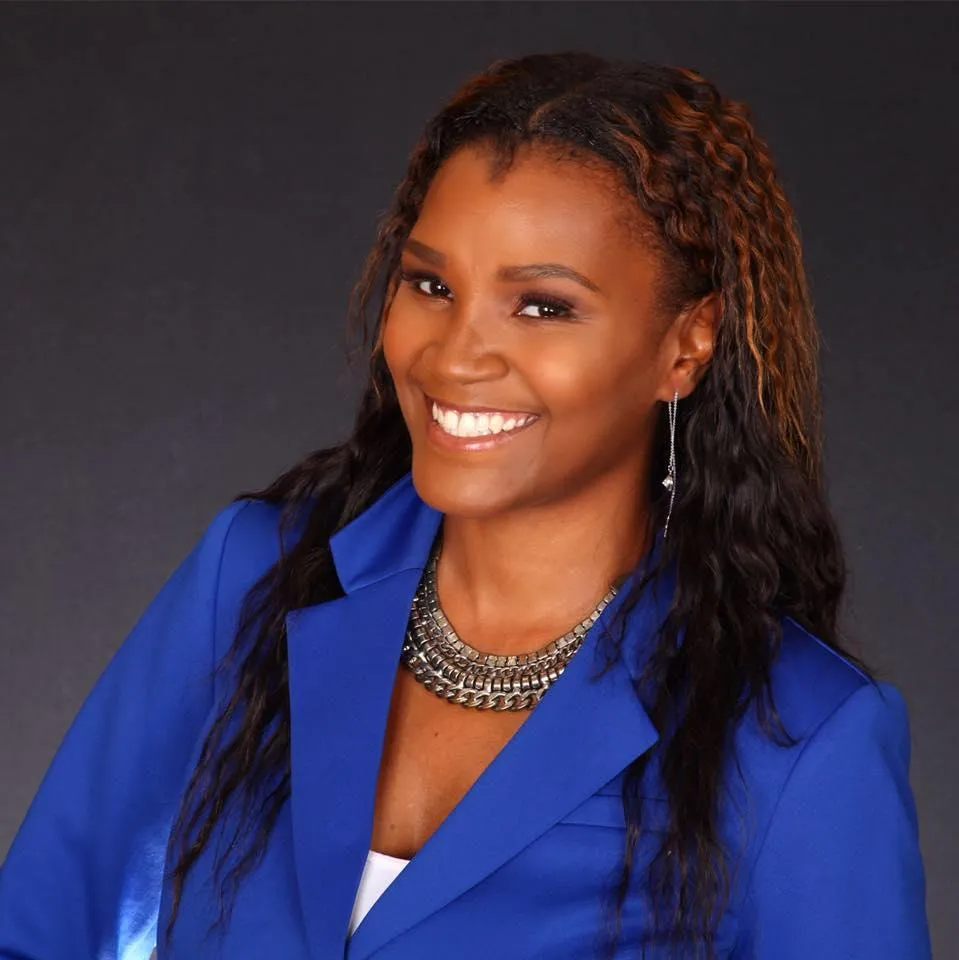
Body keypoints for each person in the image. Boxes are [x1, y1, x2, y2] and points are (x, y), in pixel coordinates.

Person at [0, 52, 931, 959]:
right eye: (431, 286)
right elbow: (36, 930)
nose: (452, 356)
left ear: (686, 345)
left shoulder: (798, 740)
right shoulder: (254, 578)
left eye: (542, 306)